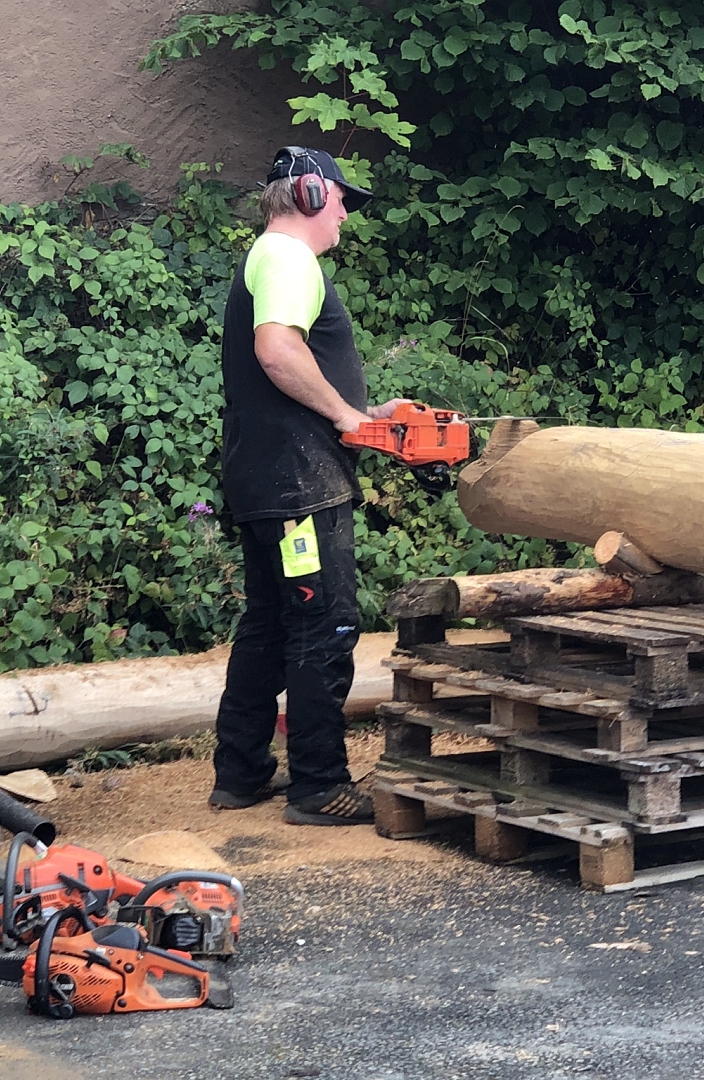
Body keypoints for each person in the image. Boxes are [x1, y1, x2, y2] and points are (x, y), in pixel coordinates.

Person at [208, 146, 404, 825]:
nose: (346, 214)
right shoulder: (290, 257)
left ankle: (240, 772)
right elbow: (278, 350)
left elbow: (290, 367)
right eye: (342, 200)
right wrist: (346, 416)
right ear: (313, 195)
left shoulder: (267, 257)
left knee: (268, 625)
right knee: (324, 626)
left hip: (269, 478)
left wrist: (361, 414)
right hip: (300, 486)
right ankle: (319, 786)